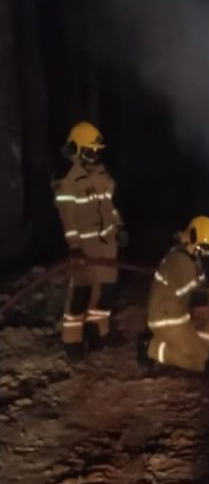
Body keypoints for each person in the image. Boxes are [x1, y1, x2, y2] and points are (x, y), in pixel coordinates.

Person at [51, 121, 125, 360]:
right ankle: (72, 342)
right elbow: (68, 217)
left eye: (96, 151)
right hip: (84, 248)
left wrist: (119, 227)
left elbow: (110, 205)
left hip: (107, 244)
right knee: (80, 294)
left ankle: (99, 334)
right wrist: (74, 247)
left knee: (105, 291)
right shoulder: (67, 179)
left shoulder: (101, 174)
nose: (95, 155)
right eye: (90, 150)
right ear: (76, 149)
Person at [144, 216, 209, 372]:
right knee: (202, 364)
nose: (208, 252)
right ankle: (152, 349)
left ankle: (201, 347)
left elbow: (200, 289)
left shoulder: (191, 259)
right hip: (168, 319)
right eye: (205, 246)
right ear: (193, 239)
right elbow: (196, 298)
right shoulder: (180, 261)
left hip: (181, 313)